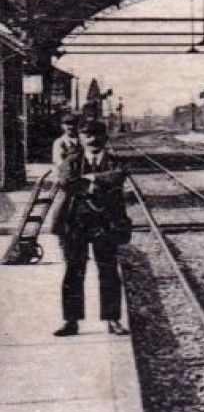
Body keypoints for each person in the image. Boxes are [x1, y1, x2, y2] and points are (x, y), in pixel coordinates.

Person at [54, 121, 130, 337]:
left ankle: (112, 319)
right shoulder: (72, 161)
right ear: (80, 137)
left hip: (106, 224)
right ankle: (71, 321)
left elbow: (120, 175)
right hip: (76, 223)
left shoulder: (115, 161)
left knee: (108, 271)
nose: (92, 139)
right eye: (87, 135)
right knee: (73, 272)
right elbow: (66, 181)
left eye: (97, 135)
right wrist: (96, 184)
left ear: (105, 138)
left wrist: (92, 178)